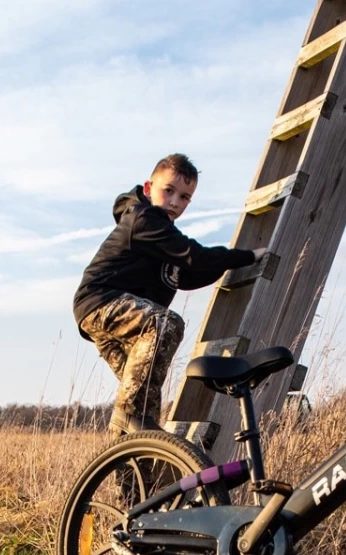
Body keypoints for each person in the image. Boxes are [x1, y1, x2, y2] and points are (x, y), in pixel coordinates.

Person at [73, 154, 266, 434]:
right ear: (149, 188)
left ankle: (132, 457)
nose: (175, 202)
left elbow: (187, 274)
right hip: (101, 302)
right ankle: (130, 417)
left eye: (185, 197)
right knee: (165, 323)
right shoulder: (143, 219)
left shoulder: (162, 238)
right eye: (169, 191)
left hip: (108, 321)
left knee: (145, 398)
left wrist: (225, 266)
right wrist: (246, 256)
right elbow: (195, 256)